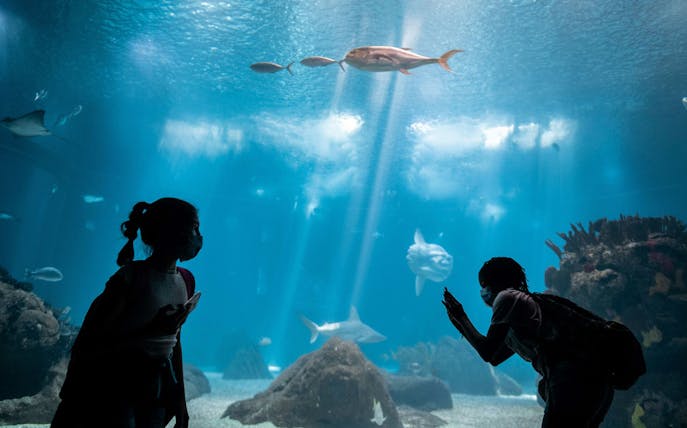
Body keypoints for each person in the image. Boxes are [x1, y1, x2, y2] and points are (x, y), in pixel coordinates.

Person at [51, 197, 203, 428]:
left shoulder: (186, 280)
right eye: (194, 227)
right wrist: (152, 330)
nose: (199, 236)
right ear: (174, 232)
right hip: (114, 385)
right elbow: (88, 343)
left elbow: (174, 343)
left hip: (158, 385)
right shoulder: (130, 279)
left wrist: (180, 402)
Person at [442, 257, 614, 428]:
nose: (483, 292)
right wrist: (458, 321)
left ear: (494, 283)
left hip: (573, 381)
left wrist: (461, 316)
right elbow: (496, 357)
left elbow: (487, 351)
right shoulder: (523, 307)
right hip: (594, 383)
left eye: (484, 285)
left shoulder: (507, 298)